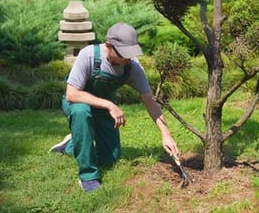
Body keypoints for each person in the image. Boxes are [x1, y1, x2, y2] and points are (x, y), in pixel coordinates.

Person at [50, 22, 179, 192]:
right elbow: (72, 94)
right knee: (82, 111)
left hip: (103, 109)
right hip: (77, 103)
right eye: (123, 54)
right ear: (109, 46)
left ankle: (72, 143)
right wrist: (110, 105)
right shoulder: (88, 55)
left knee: (111, 159)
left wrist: (166, 135)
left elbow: (150, 101)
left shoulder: (132, 67)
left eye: (129, 54)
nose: (126, 59)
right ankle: (88, 177)